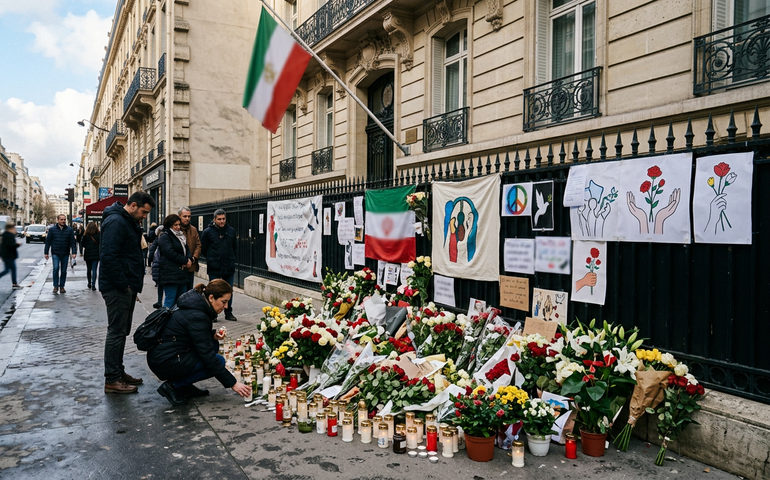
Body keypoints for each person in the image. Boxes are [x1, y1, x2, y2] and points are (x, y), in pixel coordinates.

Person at [147, 279, 250, 406]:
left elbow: (189, 334)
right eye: (224, 302)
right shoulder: (197, 315)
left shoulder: (196, 305)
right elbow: (207, 356)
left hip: (166, 355)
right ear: (211, 298)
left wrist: (212, 335)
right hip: (165, 361)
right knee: (218, 361)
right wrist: (233, 383)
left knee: (212, 345)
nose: (226, 307)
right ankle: (172, 386)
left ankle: (185, 385)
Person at [100, 191, 155, 394]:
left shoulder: (126, 221)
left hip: (125, 286)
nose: (144, 216)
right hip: (117, 288)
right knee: (116, 332)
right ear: (132, 205)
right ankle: (112, 379)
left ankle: (118, 372)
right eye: (143, 212)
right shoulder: (116, 222)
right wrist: (125, 285)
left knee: (121, 331)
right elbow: (109, 257)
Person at [200, 208, 238, 321]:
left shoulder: (231, 231)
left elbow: (234, 247)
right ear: (214, 219)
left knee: (229, 290)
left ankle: (228, 312)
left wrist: (231, 258)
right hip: (214, 266)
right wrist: (211, 258)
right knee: (213, 291)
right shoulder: (208, 232)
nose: (222, 221)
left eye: (223, 219)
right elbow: (204, 248)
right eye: (219, 219)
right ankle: (213, 313)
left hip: (228, 265)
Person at [158, 214, 192, 308]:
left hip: (181, 273)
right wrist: (185, 261)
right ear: (169, 225)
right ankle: (163, 320)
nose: (178, 227)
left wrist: (189, 259)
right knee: (170, 299)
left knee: (181, 301)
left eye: (179, 224)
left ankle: (176, 321)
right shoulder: (165, 236)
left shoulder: (180, 236)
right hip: (170, 273)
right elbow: (170, 253)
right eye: (175, 225)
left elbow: (186, 249)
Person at [44, 214, 77, 294]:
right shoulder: (52, 230)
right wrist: (46, 252)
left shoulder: (69, 230)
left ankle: (62, 286)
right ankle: (55, 286)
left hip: (65, 252)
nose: (63, 221)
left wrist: (74, 252)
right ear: (58, 220)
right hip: (55, 252)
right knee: (55, 269)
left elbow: (73, 242)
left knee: (63, 270)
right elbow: (48, 241)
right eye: (61, 219)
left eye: (64, 219)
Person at [178, 207, 201, 291]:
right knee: (180, 291)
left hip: (191, 265)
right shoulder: (176, 229)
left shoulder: (193, 230)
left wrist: (194, 258)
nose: (187, 218)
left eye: (189, 216)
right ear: (179, 216)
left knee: (189, 289)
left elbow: (198, 245)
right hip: (179, 266)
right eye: (185, 216)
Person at [0, 224, 22, 289]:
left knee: (11, 269)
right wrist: (17, 244)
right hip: (8, 255)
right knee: (8, 270)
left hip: (7, 255)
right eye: (14, 228)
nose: (15, 230)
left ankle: (15, 283)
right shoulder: (8, 236)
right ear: (10, 228)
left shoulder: (5, 235)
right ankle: (15, 284)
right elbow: (10, 246)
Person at [81, 222, 100, 291]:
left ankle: (89, 282)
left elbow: (82, 245)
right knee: (94, 269)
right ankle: (93, 284)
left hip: (88, 254)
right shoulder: (98, 235)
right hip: (96, 254)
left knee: (89, 269)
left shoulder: (85, 236)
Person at [149, 225, 164, 309]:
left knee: (160, 285)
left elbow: (152, 250)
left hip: (158, 264)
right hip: (161, 264)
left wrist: (149, 261)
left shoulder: (157, 240)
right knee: (162, 285)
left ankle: (159, 301)